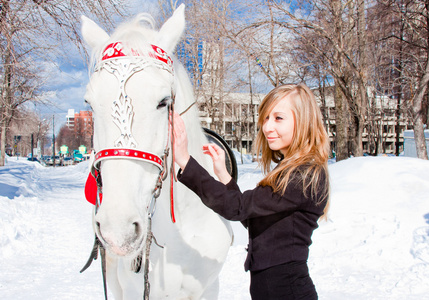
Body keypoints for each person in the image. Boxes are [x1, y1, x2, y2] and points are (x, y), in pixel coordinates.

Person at [173, 83, 330, 300]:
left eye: (278, 118)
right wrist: (223, 173)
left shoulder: (303, 175)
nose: (267, 127)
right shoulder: (293, 169)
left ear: (303, 121)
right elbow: (253, 215)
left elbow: (238, 208)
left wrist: (185, 161)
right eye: (266, 118)